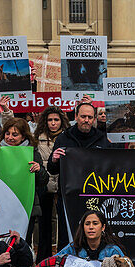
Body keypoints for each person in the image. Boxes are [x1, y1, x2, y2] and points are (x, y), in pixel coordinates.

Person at [47, 101, 112, 247]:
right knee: (68, 234)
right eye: (83, 116)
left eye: (90, 117)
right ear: (76, 117)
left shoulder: (102, 139)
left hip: (95, 196)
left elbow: (111, 167)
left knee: (94, 234)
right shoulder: (63, 138)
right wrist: (54, 159)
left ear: (94, 119)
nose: (86, 120)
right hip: (69, 197)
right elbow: (52, 169)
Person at [35, 108, 70, 260]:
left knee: (62, 224)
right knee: (44, 224)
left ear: (62, 121)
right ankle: (43, 259)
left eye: (56, 120)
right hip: (45, 185)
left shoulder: (68, 137)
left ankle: (61, 257)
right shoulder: (37, 138)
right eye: (50, 120)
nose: (53, 123)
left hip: (63, 185)